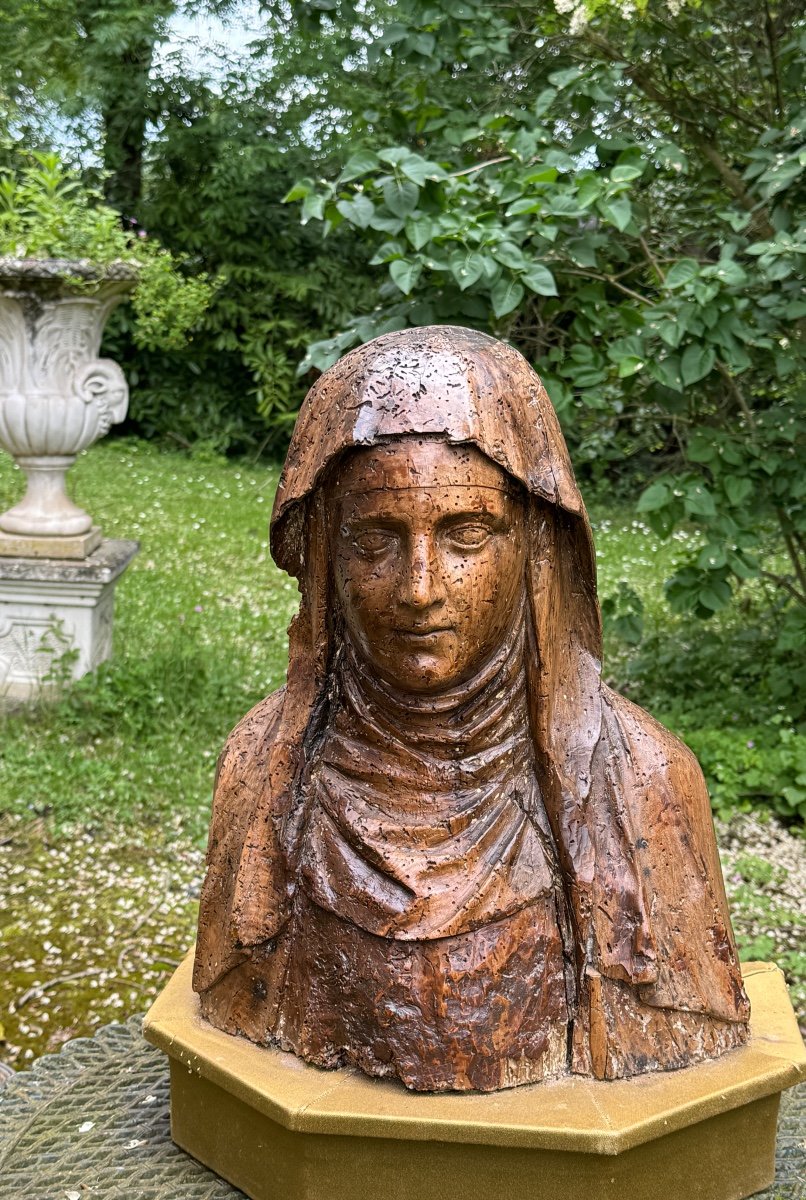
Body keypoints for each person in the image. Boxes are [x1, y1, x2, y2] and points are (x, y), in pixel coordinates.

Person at [193, 325, 749, 1092]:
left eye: (466, 534)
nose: (420, 588)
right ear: (323, 551)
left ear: (535, 544)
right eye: (374, 540)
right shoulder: (261, 775)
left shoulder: (646, 786)